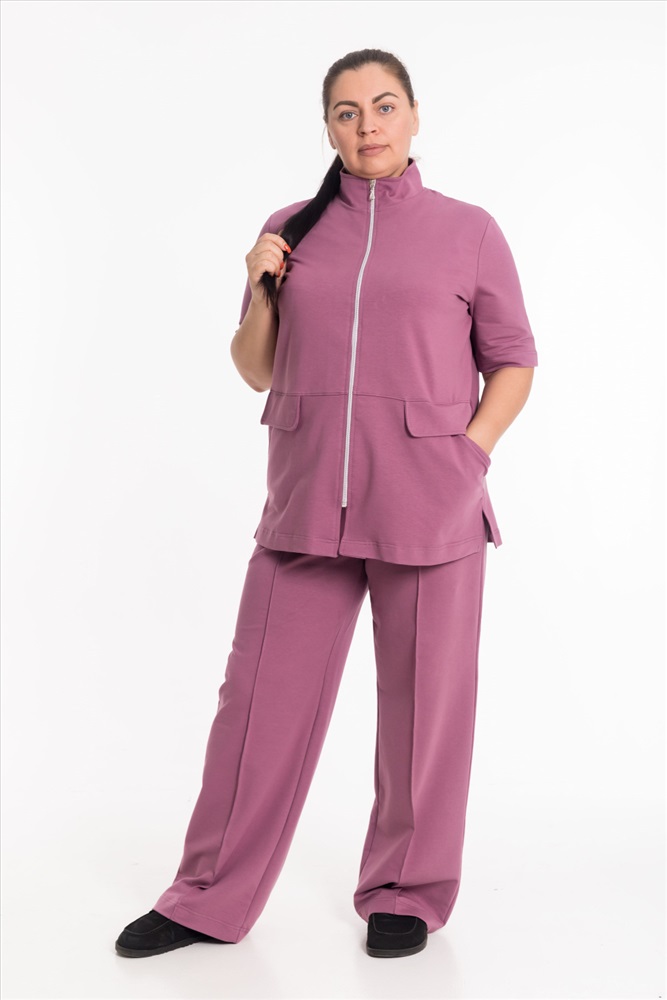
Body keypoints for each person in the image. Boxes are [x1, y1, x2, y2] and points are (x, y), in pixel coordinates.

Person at [115, 47, 538, 961]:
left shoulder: (468, 231)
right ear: (329, 128)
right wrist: (264, 285)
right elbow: (254, 368)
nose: (367, 125)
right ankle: (206, 896)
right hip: (306, 500)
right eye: (347, 112)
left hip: (429, 505)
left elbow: (512, 359)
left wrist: (466, 456)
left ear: (414, 116)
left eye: (383, 106)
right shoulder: (288, 227)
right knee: (255, 704)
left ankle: (405, 892)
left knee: (423, 712)